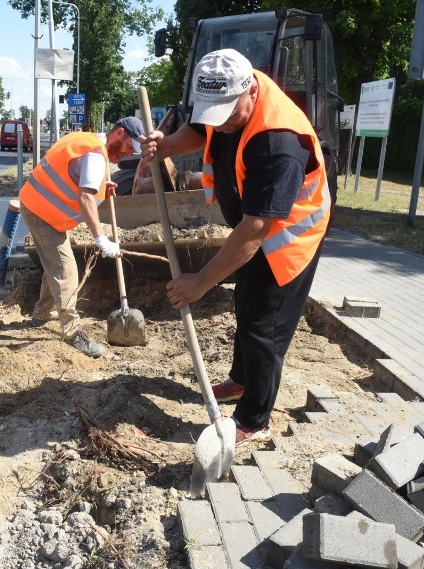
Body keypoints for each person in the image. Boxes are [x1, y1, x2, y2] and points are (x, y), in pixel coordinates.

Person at [140, 49, 331, 443]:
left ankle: (254, 418)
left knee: (265, 323)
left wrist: (202, 281)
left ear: (250, 92)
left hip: (288, 235)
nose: (221, 122)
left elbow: (257, 228)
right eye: (213, 112)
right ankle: (242, 381)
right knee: (246, 300)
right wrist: (170, 145)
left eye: (227, 112)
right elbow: (200, 128)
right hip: (253, 225)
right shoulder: (222, 94)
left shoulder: (279, 141)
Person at [18, 117, 145, 357]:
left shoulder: (89, 142)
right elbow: (85, 198)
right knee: (66, 270)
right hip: (41, 211)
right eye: (130, 146)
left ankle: (40, 316)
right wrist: (100, 238)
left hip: (41, 206)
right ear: (119, 133)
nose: (129, 153)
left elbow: (75, 173)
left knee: (54, 265)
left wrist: (102, 185)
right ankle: (73, 334)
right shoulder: (96, 154)